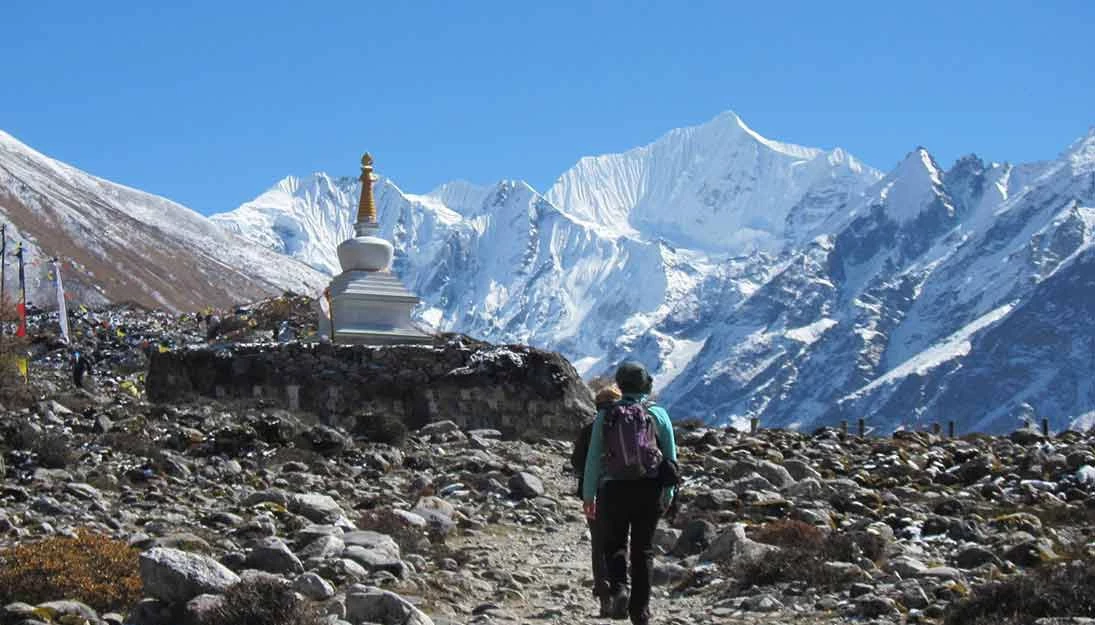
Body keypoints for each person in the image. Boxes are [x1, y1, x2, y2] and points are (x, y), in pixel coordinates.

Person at [583, 361, 677, 625]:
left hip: (613, 489)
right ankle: (640, 612)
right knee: (643, 550)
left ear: (620, 385)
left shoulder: (607, 414)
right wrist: (668, 493)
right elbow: (671, 459)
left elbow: (593, 459)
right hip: (649, 489)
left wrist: (589, 495)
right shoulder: (658, 414)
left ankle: (620, 589)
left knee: (614, 544)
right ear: (646, 384)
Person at [571, 383, 622, 617]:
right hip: (625, 492)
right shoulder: (628, 427)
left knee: (599, 545)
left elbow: (576, 463)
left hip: (595, 495)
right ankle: (622, 591)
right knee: (621, 543)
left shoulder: (590, 429)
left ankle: (604, 598)